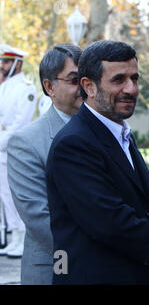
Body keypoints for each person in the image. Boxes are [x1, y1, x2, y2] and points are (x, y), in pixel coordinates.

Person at [46, 40, 149, 285]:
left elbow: (139, 204)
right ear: (88, 86)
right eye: (119, 80)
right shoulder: (74, 144)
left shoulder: (119, 132)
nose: (131, 89)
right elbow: (108, 220)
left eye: (134, 78)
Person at [6, 44, 83, 284]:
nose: (84, 87)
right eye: (74, 80)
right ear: (49, 86)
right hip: (56, 267)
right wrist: (98, 251)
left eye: (87, 78)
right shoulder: (26, 142)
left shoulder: (109, 130)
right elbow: (39, 217)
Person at [0, 44, 36, 258]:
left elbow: (19, 123)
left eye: (5, 61)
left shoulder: (26, 88)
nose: (2, 66)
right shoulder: (3, 87)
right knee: (4, 195)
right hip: (2, 147)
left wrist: (1, 142)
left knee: (14, 194)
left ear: (17, 63)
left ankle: (22, 237)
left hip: (12, 148)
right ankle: (13, 236)